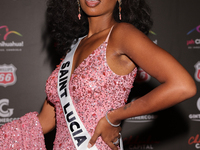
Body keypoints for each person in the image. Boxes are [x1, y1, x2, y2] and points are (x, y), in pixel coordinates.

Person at [0, 0, 197, 150]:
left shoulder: (122, 34)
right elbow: (44, 121)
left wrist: (115, 117)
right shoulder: (74, 46)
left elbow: (183, 85)